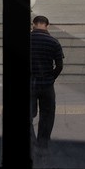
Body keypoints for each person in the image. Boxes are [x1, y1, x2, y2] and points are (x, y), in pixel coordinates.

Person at [30, 15, 65, 152]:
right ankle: (43, 145)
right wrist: (52, 77)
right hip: (47, 85)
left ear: (33, 24)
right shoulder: (54, 42)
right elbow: (60, 65)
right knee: (47, 115)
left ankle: (31, 143)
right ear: (47, 25)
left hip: (30, 85)